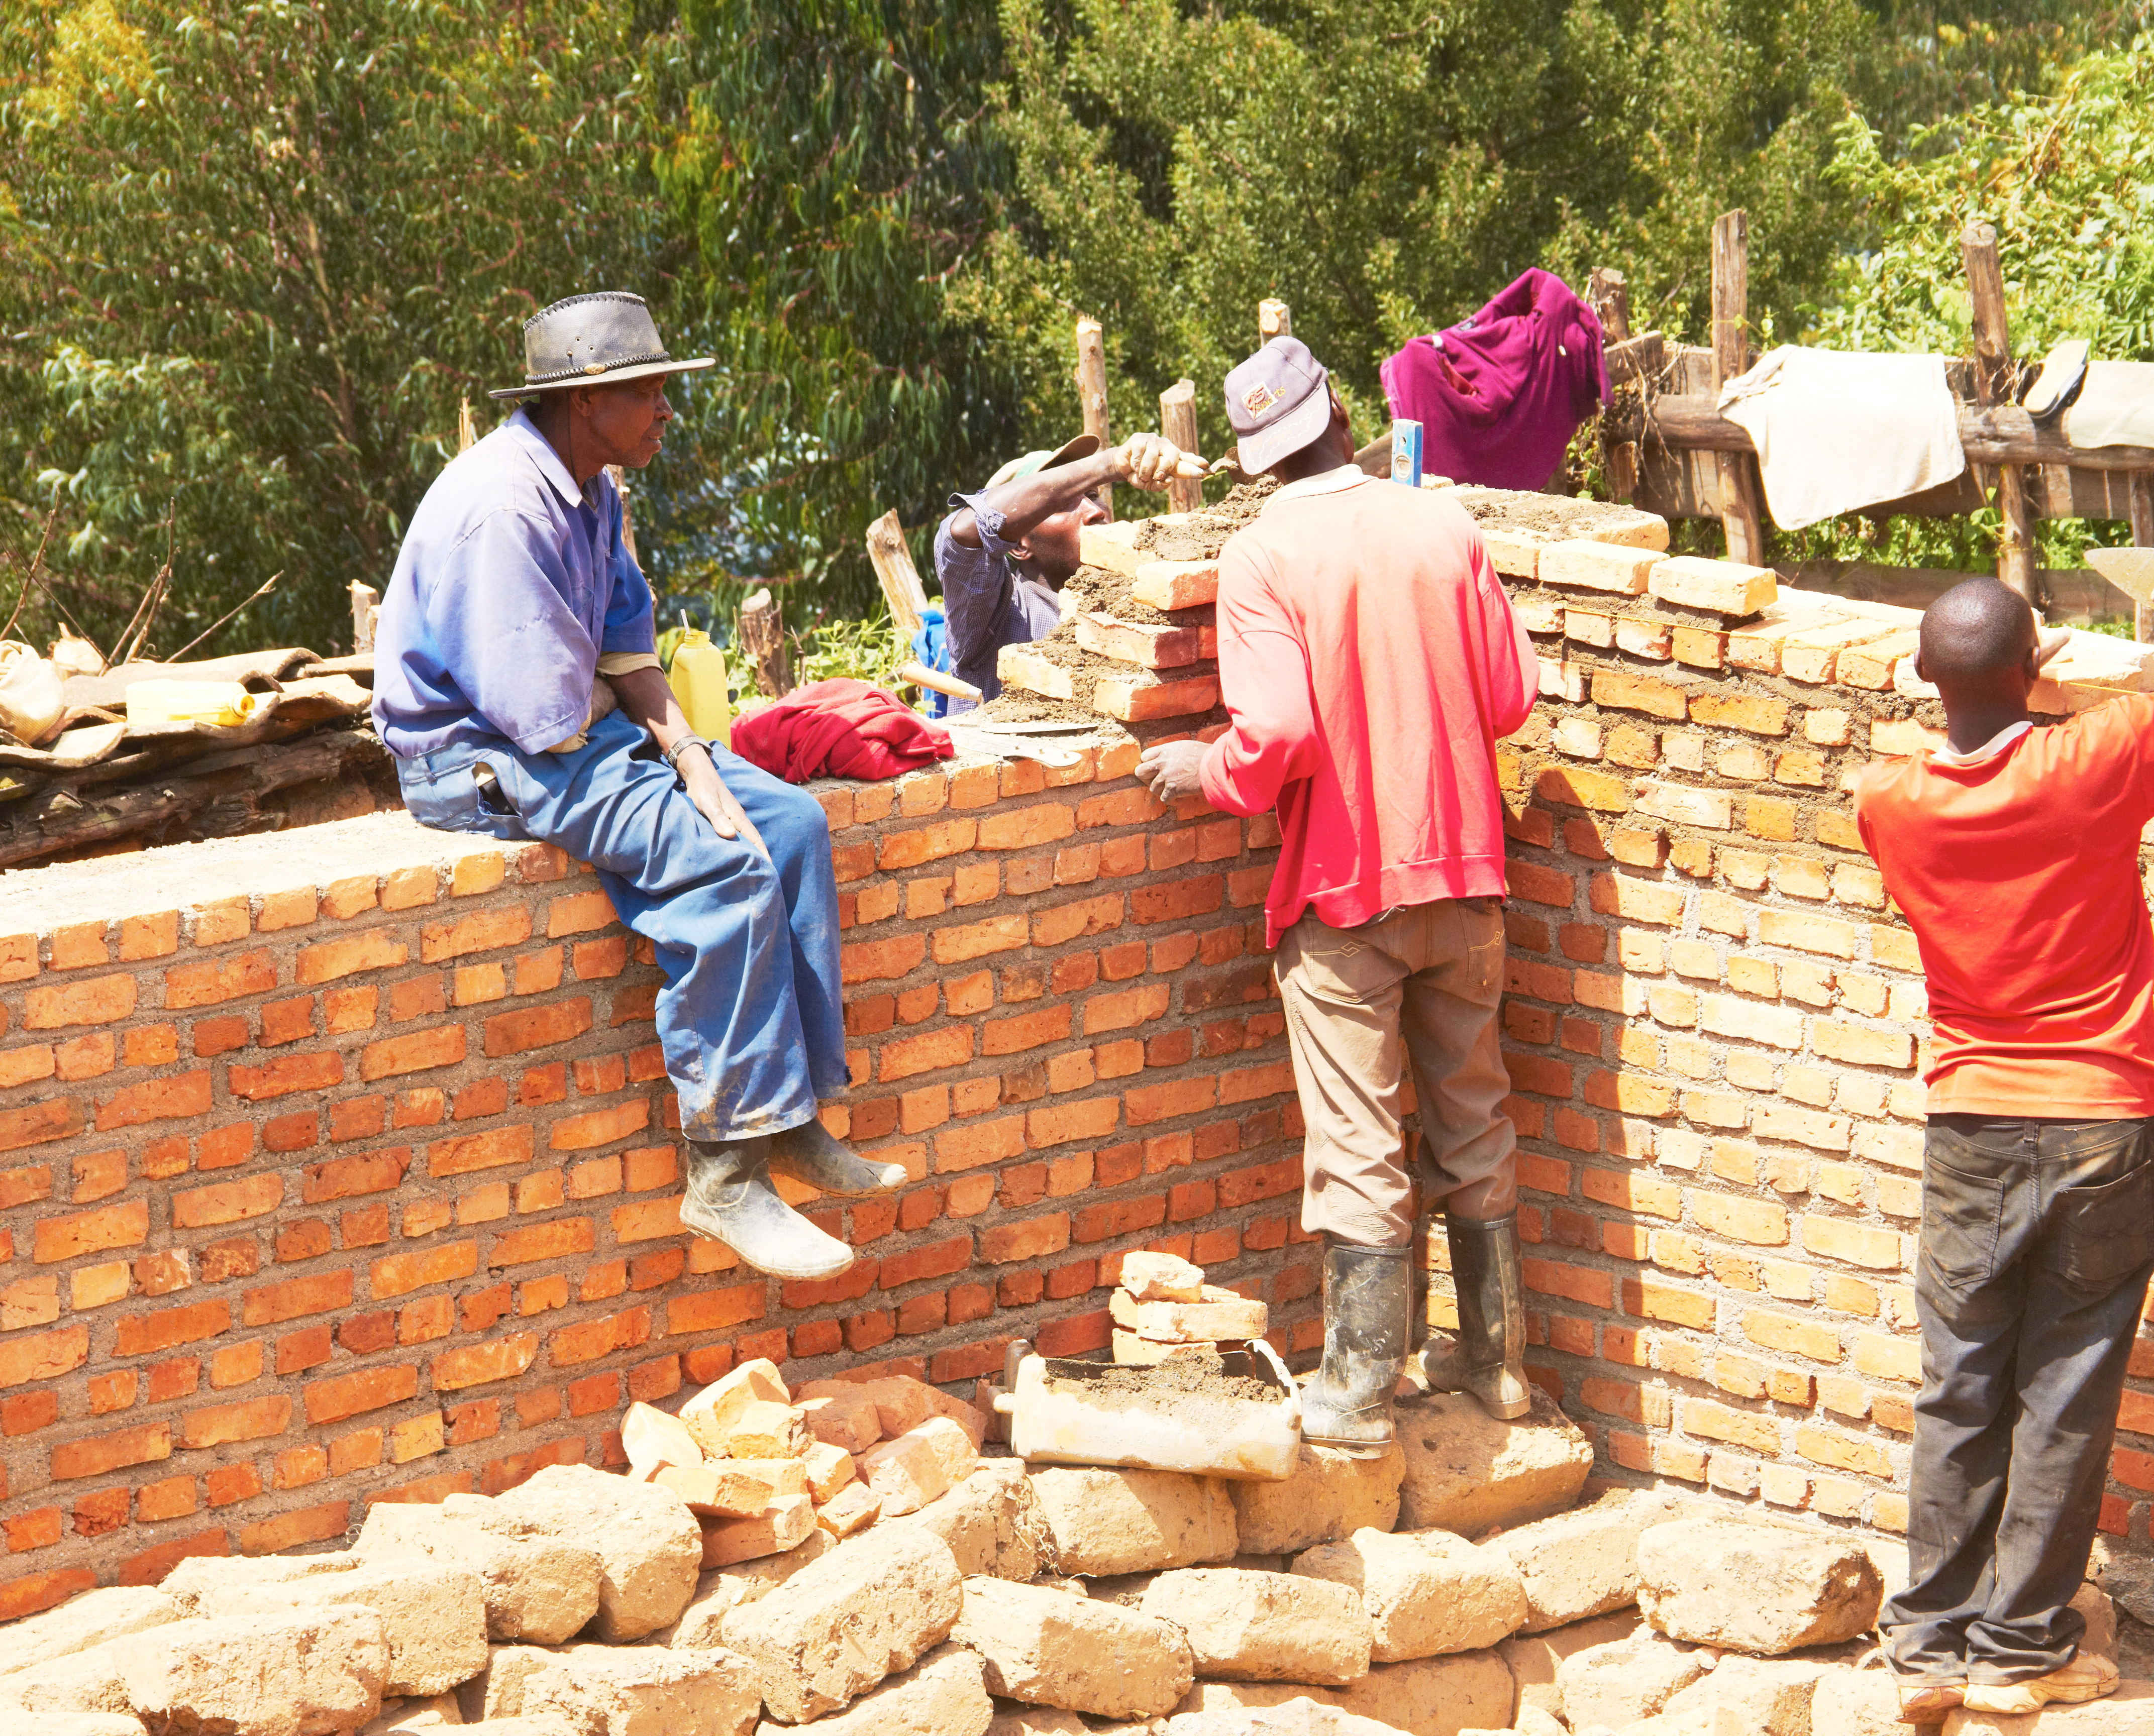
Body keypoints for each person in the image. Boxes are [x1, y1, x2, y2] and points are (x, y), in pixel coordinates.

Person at [372, 290, 901, 1282]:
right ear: (587, 402)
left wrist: (694, 756)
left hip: (575, 728)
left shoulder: (594, 489)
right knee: (725, 869)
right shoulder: (506, 507)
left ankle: (790, 1120)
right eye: (650, 391)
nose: (666, 409)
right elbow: (543, 716)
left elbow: (626, 650)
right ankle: (724, 1177)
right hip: (482, 757)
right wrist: (657, 770)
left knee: (785, 823)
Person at [1853, 564, 2154, 1721]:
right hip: (2105, 1115)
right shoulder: (2093, 756)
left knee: (1961, 1379)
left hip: (1970, 1120)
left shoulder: (1888, 803)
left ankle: (1926, 1642)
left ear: (1922, 676)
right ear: (2037, 668)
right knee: (2065, 1385)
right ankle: (2018, 1646)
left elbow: (1966, 769)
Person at [1135, 336, 1537, 1450]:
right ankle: (1498, 1368)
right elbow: (1509, 699)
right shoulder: (1444, 525)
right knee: (1476, 1121)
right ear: (1342, 413)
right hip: (1467, 878)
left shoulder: (1264, 557)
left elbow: (1281, 736)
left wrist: (1204, 769)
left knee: (1357, 1143)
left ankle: (1358, 1387)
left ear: (1257, 462)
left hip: (1344, 896)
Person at [935, 432, 1207, 712]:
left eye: (1092, 495)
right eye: (1062, 505)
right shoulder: (997, 612)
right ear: (1018, 544)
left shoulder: (1134, 601)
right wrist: (1110, 465)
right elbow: (964, 532)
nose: (1096, 512)